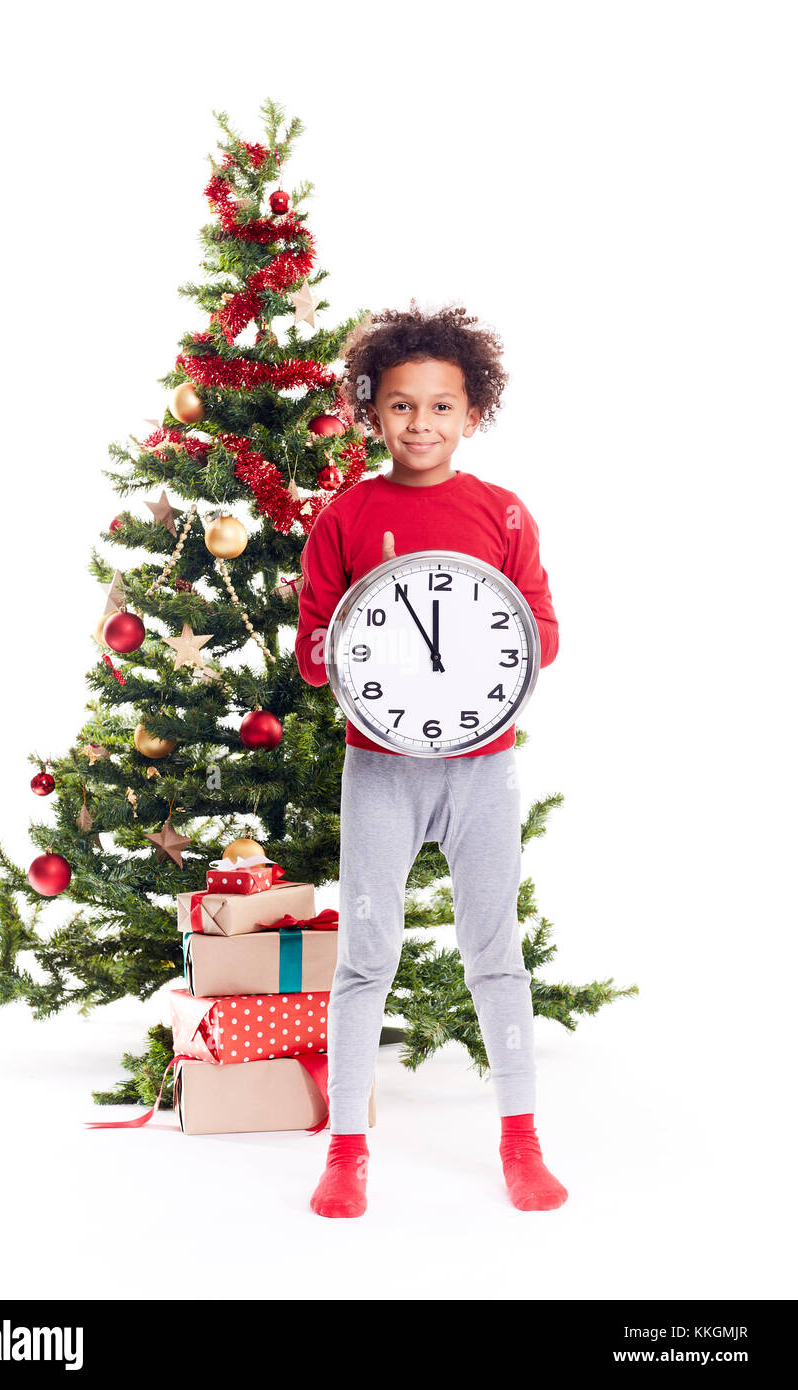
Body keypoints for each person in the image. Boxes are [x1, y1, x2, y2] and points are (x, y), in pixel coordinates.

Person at [294, 302, 568, 1217]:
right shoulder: (347, 514)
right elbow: (310, 646)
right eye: (402, 407)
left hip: (481, 765)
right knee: (364, 959)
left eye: (441, 407)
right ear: (373, 414)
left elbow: (544, 631)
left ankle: (521, 1141)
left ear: (472, 413)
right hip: (380, 765)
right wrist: (345, 643)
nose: (422, 424)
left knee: (496, 955)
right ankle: (346, 1151)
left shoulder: (503, 513)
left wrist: (499, 651)